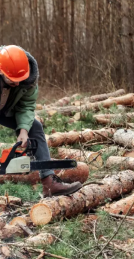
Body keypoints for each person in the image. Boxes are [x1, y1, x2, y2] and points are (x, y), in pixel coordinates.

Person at [0, 45, 82, 197]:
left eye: (20, 80)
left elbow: (26, 106)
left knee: (35, 128)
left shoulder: (28, 77)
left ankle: (50, 183)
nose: (17, 84)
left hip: (6, 108)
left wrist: (23, 130)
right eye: (12, 81)